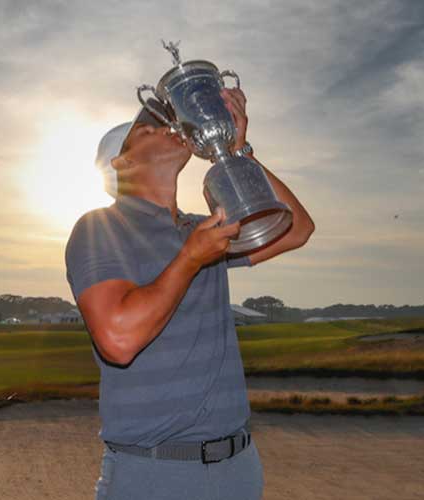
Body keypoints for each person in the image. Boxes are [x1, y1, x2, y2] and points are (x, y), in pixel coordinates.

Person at [65, 88, 314, 500]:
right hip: (153, 475)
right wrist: (191, 259)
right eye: (149, 128)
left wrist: (235, 151)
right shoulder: (99, 228)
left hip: (238, 470)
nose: (171, 127)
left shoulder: (202, 229)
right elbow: (118, 340)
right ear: (121, 162)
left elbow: (297, 228)